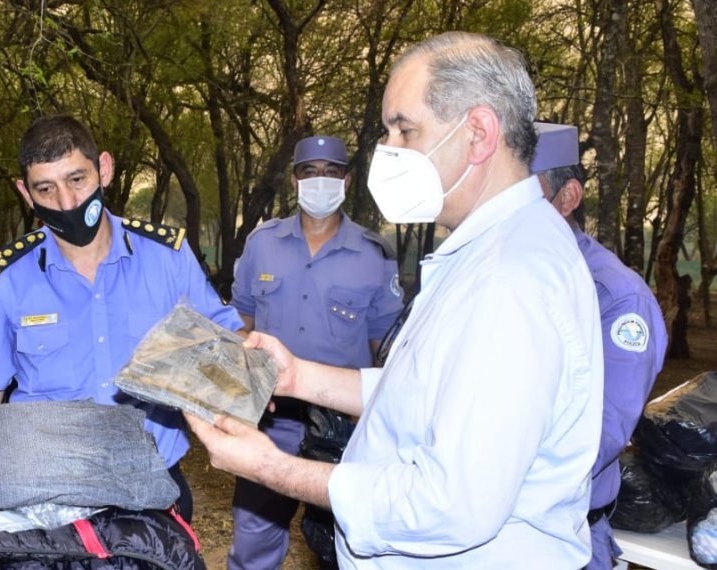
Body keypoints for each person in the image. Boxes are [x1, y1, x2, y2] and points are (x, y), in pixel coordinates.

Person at [186, 31, 605, 567]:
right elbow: (426, 389)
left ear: (477, 133)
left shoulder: (509, 280)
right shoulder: (490, 249)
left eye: (404, 130)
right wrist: (298, 378)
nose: (388, 151)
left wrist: (272, 468)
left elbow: (450, 505)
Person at [0, 114, 242, 522]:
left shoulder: (167, 258)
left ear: (103, 169)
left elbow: (225, 345)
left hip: (156, 492)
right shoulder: (5, 279)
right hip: (50, 497)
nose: (67, 203)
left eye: (77, 180)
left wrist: (254, 372)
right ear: (25, 192)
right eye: (45, 189)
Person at [227, 135, 403, 569]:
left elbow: (387, 351)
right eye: (309, 172)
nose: (319, 181)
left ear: (347, 179)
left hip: (344, 431)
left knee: (343, 547)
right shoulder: (261, 243)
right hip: (270, 420)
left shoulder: (374, 253)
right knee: (254, 543)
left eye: (330, 172)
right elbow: (240, 324)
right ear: (294, 179)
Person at [531, 121, 667, 570]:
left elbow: (598, 437)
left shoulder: (615, 297)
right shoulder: (486, 278)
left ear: (567, 198)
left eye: (522, 193)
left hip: (560, 539)